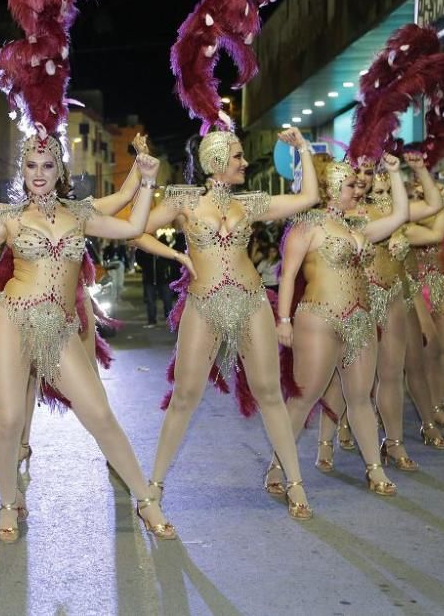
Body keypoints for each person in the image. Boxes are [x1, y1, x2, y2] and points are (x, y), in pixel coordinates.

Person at [0, 126, 178, 542]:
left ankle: (145, 499)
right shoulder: (10, 219)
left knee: (99, 414)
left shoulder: (80, 214)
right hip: (9, 320)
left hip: (59, 327)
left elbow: (134, 224)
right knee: (11, 417)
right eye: (31, 165)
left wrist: (147, 178)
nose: (38, 173)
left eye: (47, 165)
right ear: (23, 171)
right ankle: (8, 502)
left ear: (59, 169)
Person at [132, 127, 318, 520]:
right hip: (204, 303)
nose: (245, 163)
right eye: (237, 156)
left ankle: (295, 482)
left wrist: (303, 149)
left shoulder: (248, 203)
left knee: (269, 392)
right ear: (216, 161)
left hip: (252, 302)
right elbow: (136, 231)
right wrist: (177, 257)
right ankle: (154, 488)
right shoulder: (184, 200)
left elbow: (309, 197)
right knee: (185, 395)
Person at [276, 154, 409, 495]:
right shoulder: (307, 226)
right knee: (305, 398)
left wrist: (395, 173)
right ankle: (279, 466)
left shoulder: (356, 228)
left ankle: (374, 469)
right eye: (350, 184)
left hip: (361, 320)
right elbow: (288, 275)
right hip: (319, 318)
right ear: (334, 188)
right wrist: (284, 321)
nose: (357, 187)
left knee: (360, 397)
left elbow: (400, 217)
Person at [135, 235, 177, 328]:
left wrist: (164, 266)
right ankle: (152, 321)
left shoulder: (162, 246)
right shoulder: (143, 248)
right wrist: (146, 266)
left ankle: (169, 320)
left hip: (163, 278)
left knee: (167, 300)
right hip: (150, 279)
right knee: (150, 301)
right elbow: (138, 258)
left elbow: (170, 258)